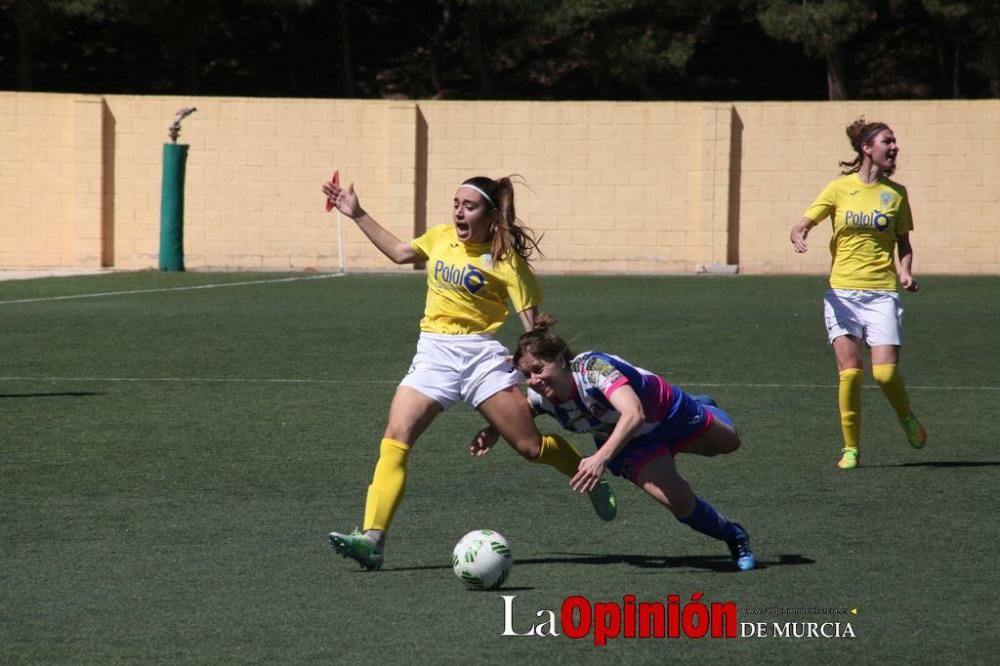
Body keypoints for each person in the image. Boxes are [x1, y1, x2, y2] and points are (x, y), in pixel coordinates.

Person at [321, 173, 617, 571]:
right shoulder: (441, 236)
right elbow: (399, 252)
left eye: (469, 206)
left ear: (492, 216)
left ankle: (590, 475)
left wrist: (540, 376)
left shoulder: (506, 259)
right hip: (434, 353)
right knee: (395, 438)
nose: (459, 212)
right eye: (456, 203)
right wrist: (356, 213)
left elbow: (533, 330)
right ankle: (372, 540)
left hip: (482, 356)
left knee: (530, 448)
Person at [471, 315, 756, 572]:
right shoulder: (540, 399)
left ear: (559, 358)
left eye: (538, 369)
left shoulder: (594, 369)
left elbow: (634, 413)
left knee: (729, 443)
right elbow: (527, 413)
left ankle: (700, 405)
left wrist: (600, 459)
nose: (533, 380)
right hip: (629, 443)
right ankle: (734, 535)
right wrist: (493, 430)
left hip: (667, 411)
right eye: (527, 375)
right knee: (677, 500)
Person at [789, 117, 927, 470]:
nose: (894, 147)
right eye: (887, 141)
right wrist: (800, 232)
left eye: (895, 142)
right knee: (850, 372)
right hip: (842, 293)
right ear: (867, 148)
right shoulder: (839, 188)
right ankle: (851, 448)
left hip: (882, 293)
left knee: (884, 375)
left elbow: (904, 243)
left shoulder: (897, 194)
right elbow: (806, 220)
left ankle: (907, 416)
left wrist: (906, 271)